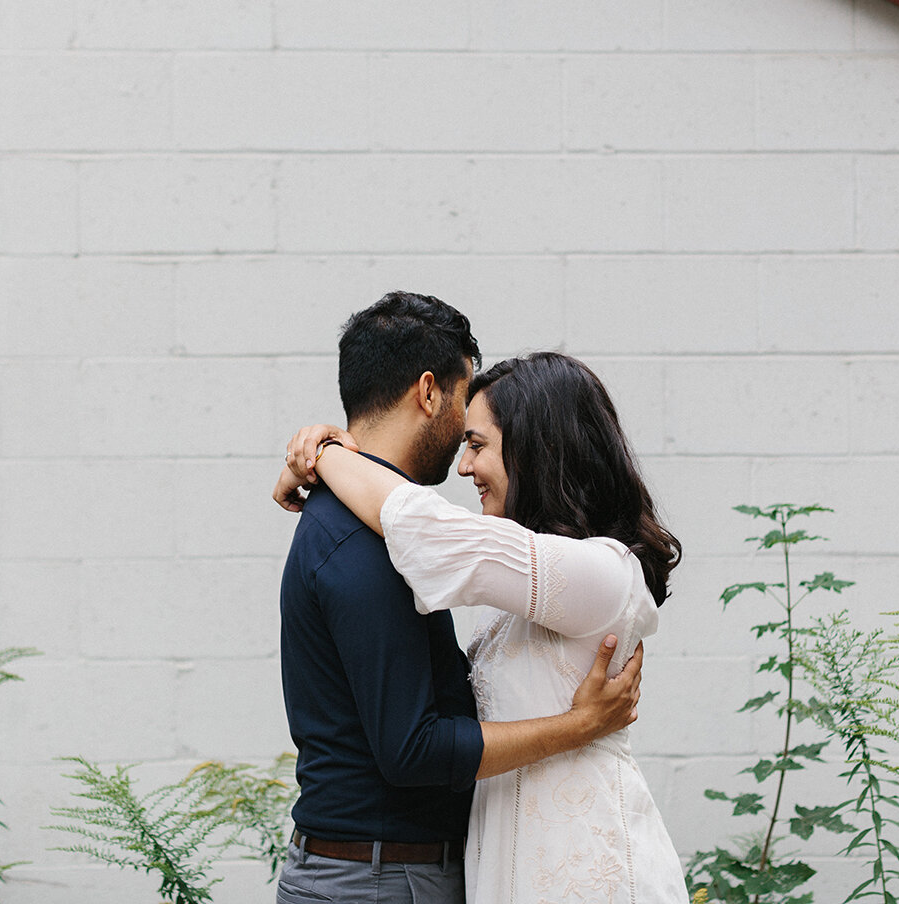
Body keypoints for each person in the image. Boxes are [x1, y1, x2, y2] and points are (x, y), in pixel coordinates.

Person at [274, 350, 689, 904]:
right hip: (505, 867)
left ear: (536, 450)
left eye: (478, 445)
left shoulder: (604, 572)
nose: (464, 467)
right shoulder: (524, 595)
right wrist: (575, 724)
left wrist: (324, 454)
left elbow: (427, 533)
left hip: (585, 866)